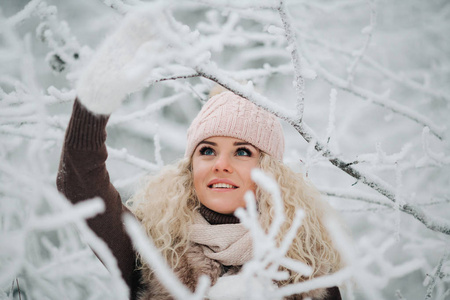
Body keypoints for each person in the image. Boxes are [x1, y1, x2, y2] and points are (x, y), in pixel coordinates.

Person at [57, 9, 343, 300]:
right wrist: (104, 80)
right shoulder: (151, 253)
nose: (221, 164)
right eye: (207, 150)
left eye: (242, 151)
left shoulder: (306, 277)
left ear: (270, 171)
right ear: (190, 167)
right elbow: (82, 181)